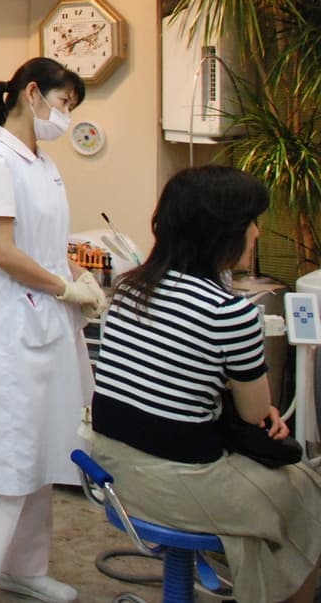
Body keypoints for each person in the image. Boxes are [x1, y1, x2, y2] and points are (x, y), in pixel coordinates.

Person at [92, 166, 321, 603]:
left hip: (115, 473)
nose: (256, 233)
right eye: (251, 222)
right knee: (307, 496)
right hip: (178, 484)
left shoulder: (129, 289)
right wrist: (263, 411)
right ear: (222, 233)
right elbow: (256, 414)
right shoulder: (228, 312)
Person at [0, 57, 104, 603]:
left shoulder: (43, 164)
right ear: (32, 94)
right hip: (11, 329)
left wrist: (82, 276)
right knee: (7, 454)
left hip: (49, 325)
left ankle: (23, 567)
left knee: (44, 451)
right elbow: (3, 251)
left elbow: (48, 247)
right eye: (63, 102)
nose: (65, 115)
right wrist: (64, 288)